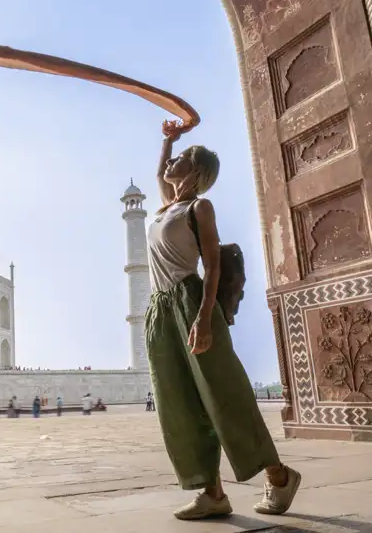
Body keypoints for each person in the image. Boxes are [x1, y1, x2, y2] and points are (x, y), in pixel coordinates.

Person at [145, 120, 301, 520]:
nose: (172, 162)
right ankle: (211, 492)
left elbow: (212, 267)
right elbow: (159, 173)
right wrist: (169, 141)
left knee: (223, 394)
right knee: (177, 402)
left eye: (181, 158)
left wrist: (203, 318)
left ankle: (279, 476)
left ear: (196, 171)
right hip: (160, 310)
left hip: (192, 301)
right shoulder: (168, 207)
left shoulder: (200, 208)